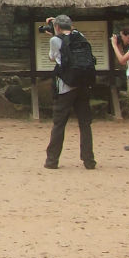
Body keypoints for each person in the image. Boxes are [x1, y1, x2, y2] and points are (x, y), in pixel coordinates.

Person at [44, 15, 96, 170]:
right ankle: (89, 160)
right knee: (85, 124)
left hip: (66, 87)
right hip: (83, 85)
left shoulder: (55, 40)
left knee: (59, 124)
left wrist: (54, 33)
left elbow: (53, 57)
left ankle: (52, 161)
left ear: (57, 27)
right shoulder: (81, 36)